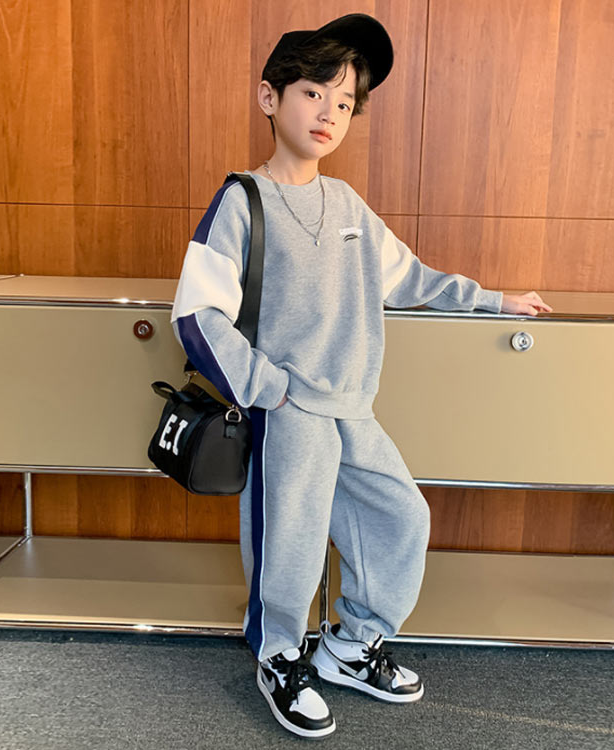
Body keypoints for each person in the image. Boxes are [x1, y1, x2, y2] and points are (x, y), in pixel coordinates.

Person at [171, 13, 552, 740]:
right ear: (270, 97)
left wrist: (492, 299)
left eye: (344, 103)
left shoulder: (347, 205)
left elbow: (410, 278)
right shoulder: (243, 200)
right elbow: (196, 314)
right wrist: (271, 389)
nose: (329, 113)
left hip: (352, 405)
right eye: (314, 92)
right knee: (290, 545)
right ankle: (280, 657)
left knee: (400, 518)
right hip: (288, 411)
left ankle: (350, 647)